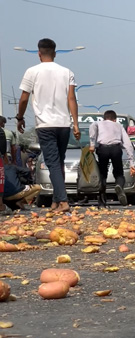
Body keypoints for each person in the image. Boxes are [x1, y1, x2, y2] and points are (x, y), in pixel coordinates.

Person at [16, 38, 81, 213]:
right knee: (58, 163)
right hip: (64, 125)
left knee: (53, 163)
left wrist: (20, 117)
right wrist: (75, 124)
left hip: (45, 125)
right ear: (55, 53)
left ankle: (64, 201)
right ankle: (55, 202)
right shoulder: (67, 72)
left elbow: (24, 98)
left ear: (39, 53)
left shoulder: (31, 71)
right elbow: (71, 99)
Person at [89, 110, 135, 207]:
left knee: (102, 174)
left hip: (103, 149)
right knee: (119, 173)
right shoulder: (119, 125)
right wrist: (132, 164)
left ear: (104, 118)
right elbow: (128, 144)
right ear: (115, 119)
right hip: (116, 149)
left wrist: (92, 144)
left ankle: (102, 201)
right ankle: (119, 185)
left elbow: (93, 125)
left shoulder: (98, 123)